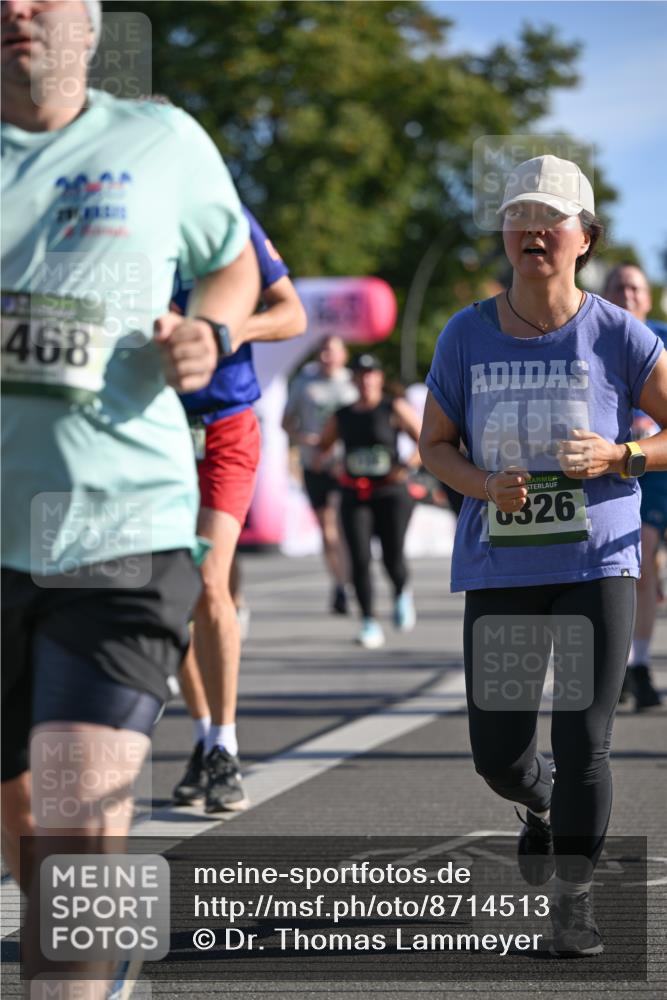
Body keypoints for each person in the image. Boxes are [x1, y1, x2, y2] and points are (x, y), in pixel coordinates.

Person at [1, 0, 259, 991]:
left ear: (90, 24)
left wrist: (211, 329)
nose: (20, 7)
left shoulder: (161, 141)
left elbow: (232, 265)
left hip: (122, 530)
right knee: (28, 831)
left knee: (74, 821)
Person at [419, 154, 667, 957]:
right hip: (502, 564)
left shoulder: (618, 333)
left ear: (582, 238)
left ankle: (573, 902)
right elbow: (433, 445)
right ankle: (537, 805)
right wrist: (484, 483)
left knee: (583, 738)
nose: (531, 229)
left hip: (598, 558)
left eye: (548, 219)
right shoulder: (465, 331)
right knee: (498, 753)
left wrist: (622, 455)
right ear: (503, 233)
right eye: (518, 217)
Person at [172, 207, 306, 812]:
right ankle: (203, 737)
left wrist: (229, 332)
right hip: (152, 431)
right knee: (167, 592)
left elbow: (293, 313)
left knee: (206, 577)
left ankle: (224, 745)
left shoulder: (225, 217)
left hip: (225, 427)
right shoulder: (115, 222)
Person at [318, 353, 422, 648]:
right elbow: (324, 448)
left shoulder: (393, 407)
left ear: (379, 378)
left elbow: (425, 440)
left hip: (390, 493)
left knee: (392, 555)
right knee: (360, 557)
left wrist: (406, 468)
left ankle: (402, 592)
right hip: (355, 493)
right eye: (360, 375)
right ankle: (368, 621)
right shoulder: (343, 415)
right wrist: (329, 462)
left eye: (370, 374)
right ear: (353, 380)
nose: (365, 380)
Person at [604, 262, 665, 710]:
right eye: (618, 286)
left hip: (661, 466)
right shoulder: (594, 337)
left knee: (649, 570)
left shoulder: (662, 339)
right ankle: (633, 665)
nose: (627, 293)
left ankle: (635, 663)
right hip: (622, 474)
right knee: (640, 566)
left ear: (649, 296)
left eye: (635, 287)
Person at [283, 334, 358, 613]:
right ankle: (339, 584)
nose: (327, 355)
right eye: (323, 350)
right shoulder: (304, 383)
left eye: (333, 350)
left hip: (343, 465)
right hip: (313, 464)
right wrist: (306, 440)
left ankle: (351, 581)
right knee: (327, 531)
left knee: (341, 526)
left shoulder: (352, 383)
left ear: (344, 355)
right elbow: (286, 422)